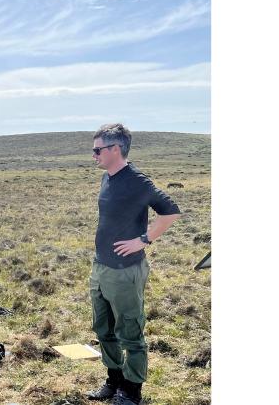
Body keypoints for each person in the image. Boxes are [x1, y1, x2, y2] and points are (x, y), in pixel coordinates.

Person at [87, 124, 181, 405]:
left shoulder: (137, 180)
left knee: (129, 331)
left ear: (116, 149)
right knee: (103, 329)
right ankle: (114, 381)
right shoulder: (108, 178)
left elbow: (170, 212)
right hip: (101, 266)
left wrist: (143, 240)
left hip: (126, 271)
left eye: (97, 150)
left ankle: (131, 390)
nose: (94, 156)